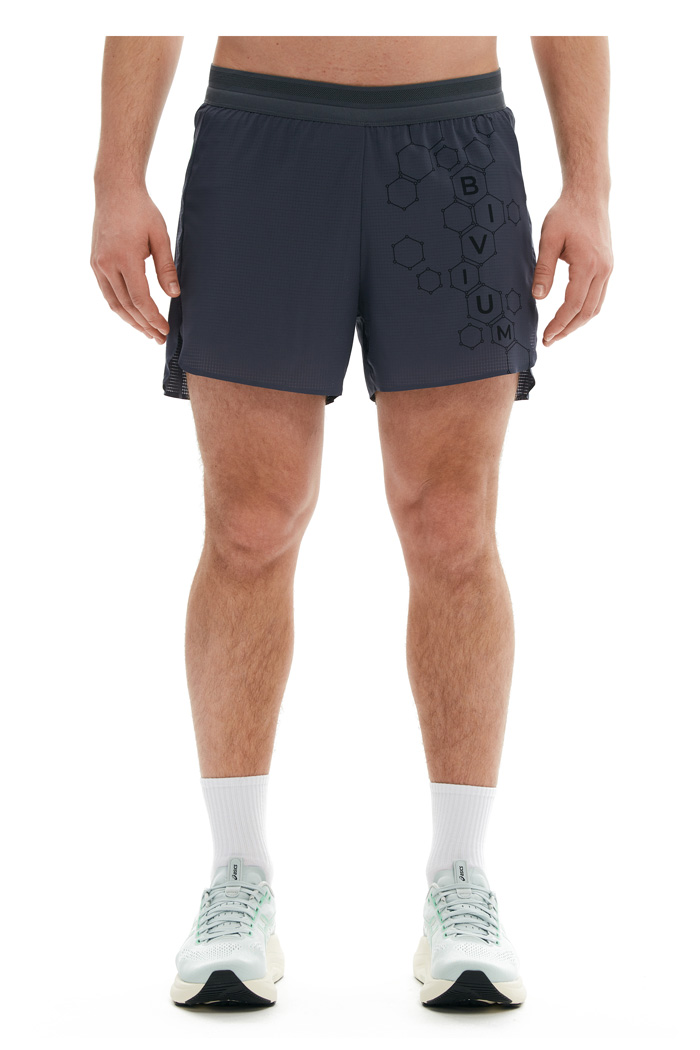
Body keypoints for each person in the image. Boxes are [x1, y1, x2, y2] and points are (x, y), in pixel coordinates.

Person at [91, 35, 612, 1009]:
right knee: (248, 525)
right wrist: (116, 177)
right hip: (262, 140)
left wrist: (590, 185)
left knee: (453, 526)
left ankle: (461, 879)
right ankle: (236, 878)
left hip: (452, 141)